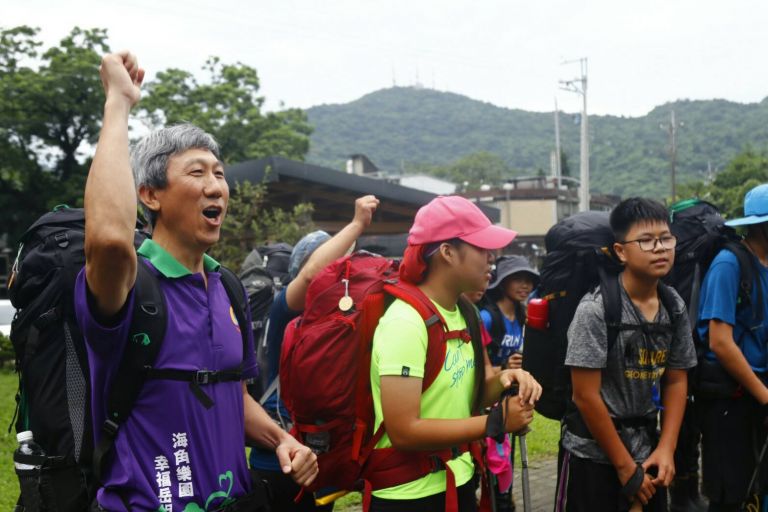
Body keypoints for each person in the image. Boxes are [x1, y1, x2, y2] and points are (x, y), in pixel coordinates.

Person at [76, 51, 317, 511]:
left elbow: (231, 393)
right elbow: (108, 239)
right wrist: (118, 103)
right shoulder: (130, 285)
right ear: (149, 195)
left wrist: (280, 438)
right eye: (196, 172)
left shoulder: (227, 288)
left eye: (220, 174)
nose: (216, 187)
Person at [368, 195, 542, 512]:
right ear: (447, 252)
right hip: (410, 495)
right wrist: (496, 422)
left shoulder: (465, 314)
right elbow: (404, 431)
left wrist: (505, 378)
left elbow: (469, 396)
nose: (492, 258)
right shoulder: (405, 322)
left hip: (458, 478)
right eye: (482, 247)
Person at [556, 197, 697, 512]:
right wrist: (623, 467)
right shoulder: (596, 310)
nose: (660, 248)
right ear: (620, 251)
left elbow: (676, 380)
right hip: (592, 456)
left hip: (647, 453)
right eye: (646, 241)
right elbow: (585, 396)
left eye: (666, 238)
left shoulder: (673, 306)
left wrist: (666, 448)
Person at [250, 195, 380, 511]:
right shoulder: (285, 310)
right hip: (276, 461)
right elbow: (311, 276)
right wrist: (357, 224)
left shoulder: (337, 321)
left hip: (319, 461)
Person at [696, 183, 768, 511]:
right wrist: (764, 396)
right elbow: (720, 342)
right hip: (731, 397)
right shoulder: (729, 264)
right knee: (731, 493)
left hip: (760, 394)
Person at [480, 255, 539, 371]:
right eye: (517, 279)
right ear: (502, 283)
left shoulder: (523, 317)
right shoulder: (485, 318)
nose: (525, 285)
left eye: (528, 280)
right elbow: (474, 369)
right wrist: (504, 367)